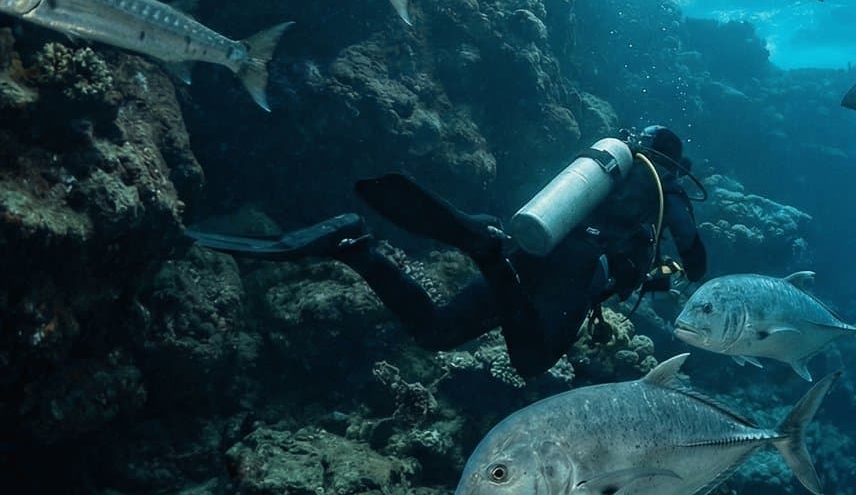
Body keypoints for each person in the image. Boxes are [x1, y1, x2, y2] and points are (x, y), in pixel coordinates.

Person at [188, 126, 709, 378]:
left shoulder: (602, 169)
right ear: (673, 162)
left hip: (529, 247)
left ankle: (355, 248)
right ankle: (483, 252)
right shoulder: (668, 191)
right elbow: (694, 257)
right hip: (574, 271)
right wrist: (670, 271)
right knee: (529, 361)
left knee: (437, 331)